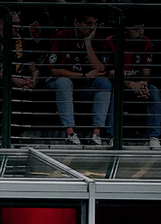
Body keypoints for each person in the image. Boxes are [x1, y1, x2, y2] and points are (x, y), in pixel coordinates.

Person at [45, 8, 111, 146]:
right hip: (58, 84)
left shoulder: (98, 40)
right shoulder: (61, 36)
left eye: (95, 23)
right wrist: (84, 75)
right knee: (64, 82)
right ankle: (70, 133)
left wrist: (88, 43)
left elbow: (101, 70)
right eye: (88, 23)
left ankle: (96, 135)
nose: (92, 27)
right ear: (76, 22)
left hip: (84, 86)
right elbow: (53, 71)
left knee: (104, 83)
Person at [101, 15, 161, 149]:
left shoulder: (146, 42)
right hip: (118, 84)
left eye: (142, 29)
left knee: (154, 92)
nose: (141, 32)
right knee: (112, 93)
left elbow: (147, 71)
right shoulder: (110, 42)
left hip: (137, 84)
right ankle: (112, 137)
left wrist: (143, 85)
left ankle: (154, 137)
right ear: (124, 31)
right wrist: (130, 84)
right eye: (136, 29)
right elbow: (109, 73)